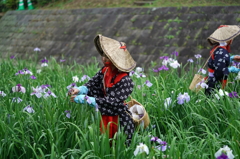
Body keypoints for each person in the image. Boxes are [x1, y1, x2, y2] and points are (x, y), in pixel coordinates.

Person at [69, 34, 136, 145]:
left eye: (107, 56)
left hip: (119, 117)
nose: (103, 58)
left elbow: (113, 102)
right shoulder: (105, 71)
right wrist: (80, 90)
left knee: (120, 145)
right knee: (103, 143)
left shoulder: (125, 80)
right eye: (103, 55)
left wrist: (86, 99)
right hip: (104, 115)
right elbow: (93, 84)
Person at [205, 25, 240, 96]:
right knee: (216, 100)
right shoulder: (222, 51)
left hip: (211, 81)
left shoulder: (218, 48)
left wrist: (231, 58)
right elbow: (220, 70)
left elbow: (217, 62)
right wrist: (230, 69)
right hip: (215, 84)